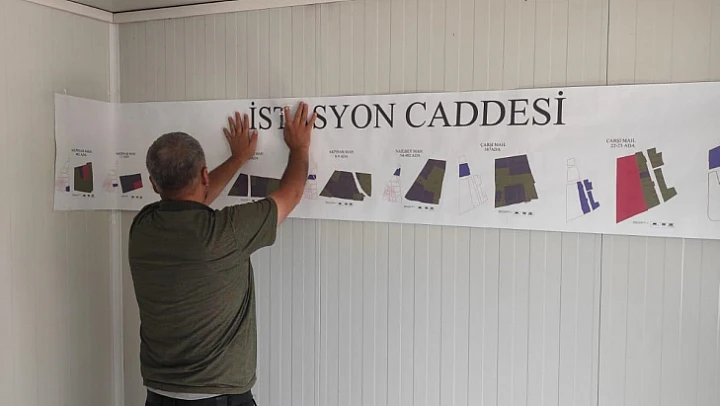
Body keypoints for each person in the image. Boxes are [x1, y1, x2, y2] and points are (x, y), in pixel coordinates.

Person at [128, 102, 317, 406]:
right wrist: (299, 147)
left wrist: (238, 158)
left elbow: (189, 203)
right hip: (220, 397)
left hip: (159, 395)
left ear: (153, 184)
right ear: (204, 174)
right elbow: (291, 193)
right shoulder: (227, 232)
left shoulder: (143, 228)